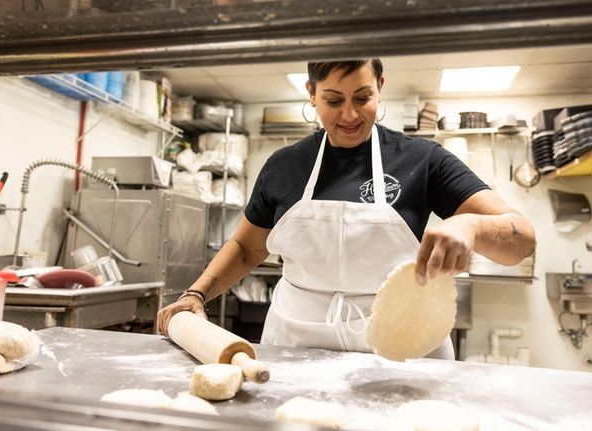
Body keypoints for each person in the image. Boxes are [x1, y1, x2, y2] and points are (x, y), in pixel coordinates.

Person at [157, 58, 535, 360]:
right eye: (334, 100)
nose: (350, 115)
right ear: (311, 94)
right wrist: (197, 294)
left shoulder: (423, 160)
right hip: (295, 349)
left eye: (363, 97)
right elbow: (246, 248)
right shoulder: (284, 166)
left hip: (399, 349)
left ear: (380, 88)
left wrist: (471, 226)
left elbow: (522, 238)